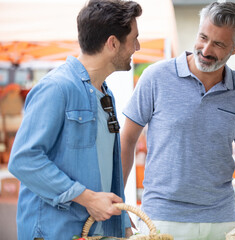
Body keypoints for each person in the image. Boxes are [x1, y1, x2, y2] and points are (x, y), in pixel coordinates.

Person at [120, 2, 235, 240]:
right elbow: (128, 140)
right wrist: (117, 200)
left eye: (218, 44)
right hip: (162, 218)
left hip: (220, 221)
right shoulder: (156, 77)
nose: (205, 48)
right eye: (203, 37)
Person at [8, 0, 142, 239]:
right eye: (134, 39)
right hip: (53, 231)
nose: (137, 47)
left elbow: (107, 169)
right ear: (112, 43)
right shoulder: (56, 88)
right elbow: (24, 159)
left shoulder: (105, 93)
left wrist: (122, 223)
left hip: (94, 232)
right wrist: (88, 198)